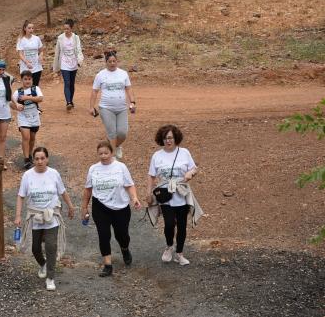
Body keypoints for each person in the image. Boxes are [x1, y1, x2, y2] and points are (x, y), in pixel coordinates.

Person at [14, 147, 75, 291]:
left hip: (51, 215)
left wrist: (71, 206)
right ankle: (43, 264)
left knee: (51, 246)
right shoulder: (28, 175)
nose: (40, 161)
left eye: (42, 158)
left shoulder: (54, 174)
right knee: (35, 248)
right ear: (33, 160)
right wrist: (17, 215)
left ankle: (50, 278)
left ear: (47, 159)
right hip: (35, 216)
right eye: (37, 159)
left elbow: (62, 191)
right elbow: (21, 196)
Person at [81, 141, 142, 277]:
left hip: (120, 207)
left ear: (111, 153)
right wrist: (84, 207)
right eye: (100, 154)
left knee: (122, 235)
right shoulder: (93, 169)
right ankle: (107, 265)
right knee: (103, 235)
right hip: (100, 206)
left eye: (106, 153)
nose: (103, 156)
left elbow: (129, 185)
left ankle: (124, 248)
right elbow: (88, 190)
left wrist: (134, 198)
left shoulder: (120, 167)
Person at [147, 125, 202, 266]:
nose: (168, 141)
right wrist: (149, 193)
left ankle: (179, 254)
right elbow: (152, 176)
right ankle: (169, 246)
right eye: (165, 138)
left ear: (175, 138)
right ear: (161, 139)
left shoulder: (184, 152)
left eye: (170, 137)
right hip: (165, 195)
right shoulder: (157, 156)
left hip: (181, 193)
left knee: (182, 225)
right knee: (169, 224)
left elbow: (194, 167)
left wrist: (190, 173)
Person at [89, 51, 136, 160]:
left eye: (114, 61)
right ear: (106, 62)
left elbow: (128, 88)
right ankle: (113, 156)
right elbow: (95, 91)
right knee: (112, 133)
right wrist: (91, 107)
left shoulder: (123, 73)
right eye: (110, 61)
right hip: (106, 108)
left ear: (117, 61)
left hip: (122, 108)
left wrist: (132, 102)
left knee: (122, 133)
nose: (112, 63)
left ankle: (117, 145)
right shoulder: (100, 75)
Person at [11, 70, 43, 170]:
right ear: (22, 80)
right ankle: (26, 159)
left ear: (32, 80)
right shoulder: (18, 92)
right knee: (26, 137)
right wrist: (17, 106)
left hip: (34, 116)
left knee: (32, 138)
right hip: (23, 117)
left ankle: (29, 155)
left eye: (29, 79)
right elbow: (11, 103)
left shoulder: (36, 88)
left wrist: (26, 98)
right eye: (25, 79)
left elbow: (40, 98)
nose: (27, 81)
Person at [52, 19, 83, 110]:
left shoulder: (75, 38)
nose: (66, 31)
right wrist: (56, 66)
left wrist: (79, 60)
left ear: (71, 29)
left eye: (68, 29)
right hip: (64, 62)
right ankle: (68, 102)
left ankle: (71, 100)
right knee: (67, 82)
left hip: (73, 63)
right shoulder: (60, 38)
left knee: (72, 84)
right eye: (64, 29)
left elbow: (78, 50)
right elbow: (57, 52)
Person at [17, 20, 44, 86]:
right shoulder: (21, 40)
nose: (31, 30)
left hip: (36, 66)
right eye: (29, 28)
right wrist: (26, 62)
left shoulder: (37, 38)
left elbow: (41, 50)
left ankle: (34, 96)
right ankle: (27, 96)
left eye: (32, 28)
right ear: (24, 28)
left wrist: (41, 55)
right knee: (27, 86)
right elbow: (20, 54)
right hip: (25, 67)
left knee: (35, 86)